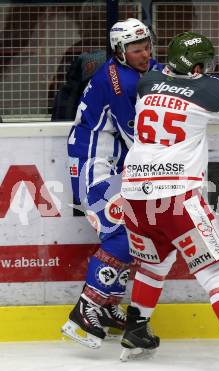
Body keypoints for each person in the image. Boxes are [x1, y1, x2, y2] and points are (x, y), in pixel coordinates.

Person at [119, 31, 219, 371]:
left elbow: (188, 88)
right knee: (213, 270)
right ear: (198, 64)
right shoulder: (211, 93)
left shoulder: (148, 81)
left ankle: (136, 329)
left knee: (153, 264)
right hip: (176, 196)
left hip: (135, 196)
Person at [61, 18, 163, 349]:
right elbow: (140, 138)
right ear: (120, 51)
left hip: (113, 161)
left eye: (147, 46)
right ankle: (84, 310)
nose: (145, 54)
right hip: (94, 163)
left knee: (130, 233)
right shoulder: (119, 82)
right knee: (122, 232)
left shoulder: (139, 68)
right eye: (136, 50)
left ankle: (106, 308)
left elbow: (168, 78)